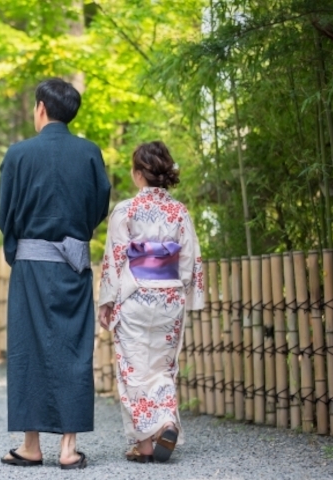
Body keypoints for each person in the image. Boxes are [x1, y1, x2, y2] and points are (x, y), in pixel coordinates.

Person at [0, 78, 111, 470]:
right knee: (73, 349)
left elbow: (6, 214)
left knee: (28, 348)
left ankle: (30, 445)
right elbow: (98, 207)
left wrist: (19, 251)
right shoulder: (90, 153)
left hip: (30, 264)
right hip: (73, 263)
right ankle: (68, 448)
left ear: (41, 108)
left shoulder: (18, 155)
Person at [97, 141, 204, 463]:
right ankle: (166, 422)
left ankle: (144, 444)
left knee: (133, 370)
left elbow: (115, 258)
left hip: (134, 295)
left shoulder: (126, 210)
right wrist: (186, 294)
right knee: (162, 367)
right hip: (170, 294)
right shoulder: (179, 211)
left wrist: (106, 301)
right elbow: (190, 259)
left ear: (139, 173)